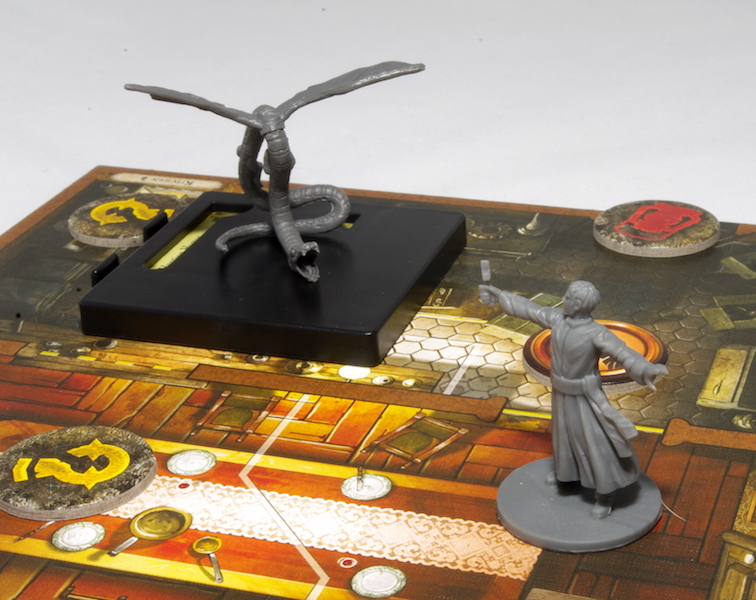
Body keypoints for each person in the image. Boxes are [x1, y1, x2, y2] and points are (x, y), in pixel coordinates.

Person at [479, 280, 668, 518]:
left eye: (568, 298)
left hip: (585, 397)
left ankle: (605, 495)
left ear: (579, 305)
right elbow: (530, 309)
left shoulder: (596, 333)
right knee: (564, 438)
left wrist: (647, 368)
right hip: (562, 393)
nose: (564, 300)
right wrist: (500, 295)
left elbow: (623, 353)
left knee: (595, 442)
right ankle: (566, 475)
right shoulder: (558, 319)